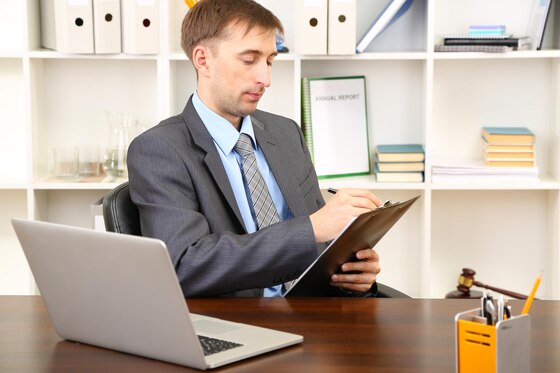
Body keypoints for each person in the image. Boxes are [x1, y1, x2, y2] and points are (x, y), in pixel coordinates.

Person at [127, 0, 382, 298]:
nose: (265, 79)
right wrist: (312, 228)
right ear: (203, 60)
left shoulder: (286, 133)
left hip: (313, 310)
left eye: (270, 61)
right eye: (249, 60)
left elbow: (318, 242)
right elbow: (184, 266)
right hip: (235, 323)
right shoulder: (160, 149)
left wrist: (350, 271)